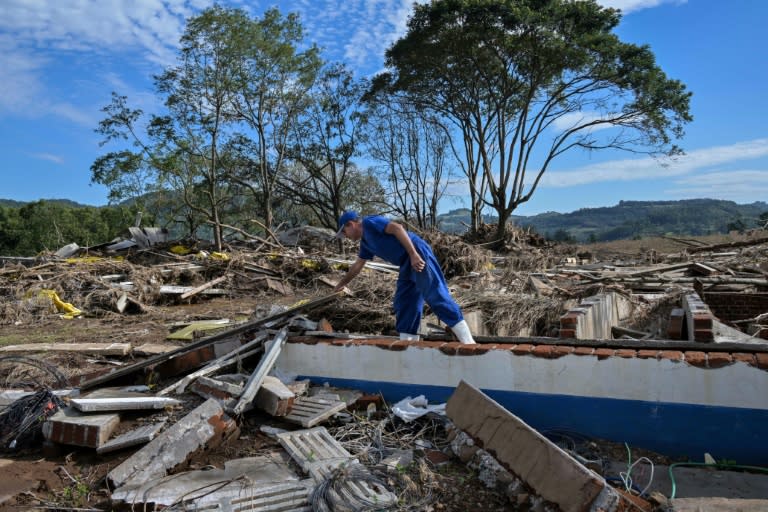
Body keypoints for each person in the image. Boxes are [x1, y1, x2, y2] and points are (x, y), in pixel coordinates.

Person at [333, 210, 476, 344]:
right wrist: (341, 284)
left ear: (351, 224)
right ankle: (408, 343)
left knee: (434, 293)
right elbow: (357, 266)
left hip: (416, 251)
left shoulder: (369, 223)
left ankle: (468, 342)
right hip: (405, 263)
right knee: (405, 301)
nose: (345, 236)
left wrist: (414, 255)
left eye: (344, 232)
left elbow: (397, 228)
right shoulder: (365, 244)